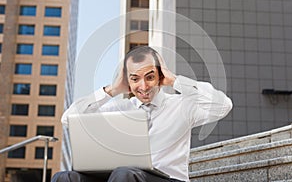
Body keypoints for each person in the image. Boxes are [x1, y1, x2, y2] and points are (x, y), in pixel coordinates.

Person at [51, 46, 232, 182]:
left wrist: (175, 80)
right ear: (127, 80)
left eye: (150, 77)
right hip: (120, 177)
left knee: (125, 173)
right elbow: (68, 119)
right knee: (64, 177)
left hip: (168, 179)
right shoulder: (119, 109)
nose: (143, 87)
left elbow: (223, 106)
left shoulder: (182, 105)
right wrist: (111, 90)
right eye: (135, 79)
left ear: (160, 75)